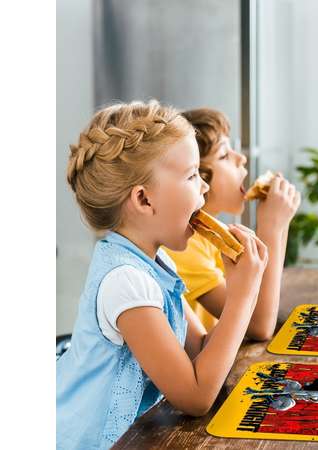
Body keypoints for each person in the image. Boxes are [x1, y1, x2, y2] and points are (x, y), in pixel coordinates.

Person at [56, 100, 268, 450]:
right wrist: (242, 295)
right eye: (192, 175)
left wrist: (244, 286)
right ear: (144, 200)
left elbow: (200, 349)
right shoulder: (126, 282)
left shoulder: (156, 263)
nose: (204, 187)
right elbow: (195, 396)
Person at [164, 108, 301, 338]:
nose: (242, 158)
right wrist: (271, 227)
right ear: (197, 175)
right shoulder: (183, 247)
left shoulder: (211, 236)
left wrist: (281, 223)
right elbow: (259, 325)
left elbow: (263, 301)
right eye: (224, 155)